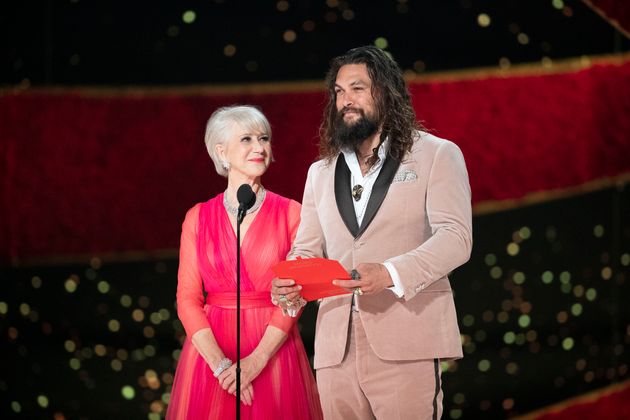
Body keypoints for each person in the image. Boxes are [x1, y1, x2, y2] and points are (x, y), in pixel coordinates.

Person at [272, 46, 472, 419]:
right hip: (335, 351)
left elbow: (456, 238)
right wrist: (291, 282)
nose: (346, 100)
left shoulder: (436, 155)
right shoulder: (321, 172)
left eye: (357, 88)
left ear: (386, 91)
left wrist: (390, 273)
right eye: (338, 92)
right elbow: (307, 248)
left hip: (406, 341)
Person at [167, 105, 322, 419]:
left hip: (273, 353)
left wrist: (255, 362)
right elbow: (187, 299)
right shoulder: (197, 218)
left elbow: (297, 294)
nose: (259, 147)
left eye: (264, 139)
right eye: (247, 139)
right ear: (221, 151)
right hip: (211, 358)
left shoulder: (293, 213)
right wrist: (224, 368)